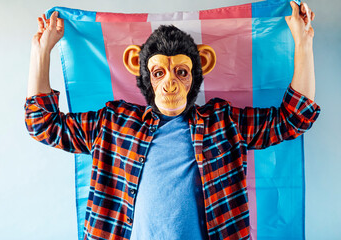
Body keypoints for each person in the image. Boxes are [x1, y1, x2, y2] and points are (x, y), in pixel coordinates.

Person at [25, 2, 320, 240]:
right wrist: (41, 53)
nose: (170, 84)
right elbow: (44, 125)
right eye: (158, 73)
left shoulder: (222, 122)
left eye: (180, 72)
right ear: (143, 75)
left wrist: (303, 43)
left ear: (198, 69)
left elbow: (294, 117)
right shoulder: (114, 124)